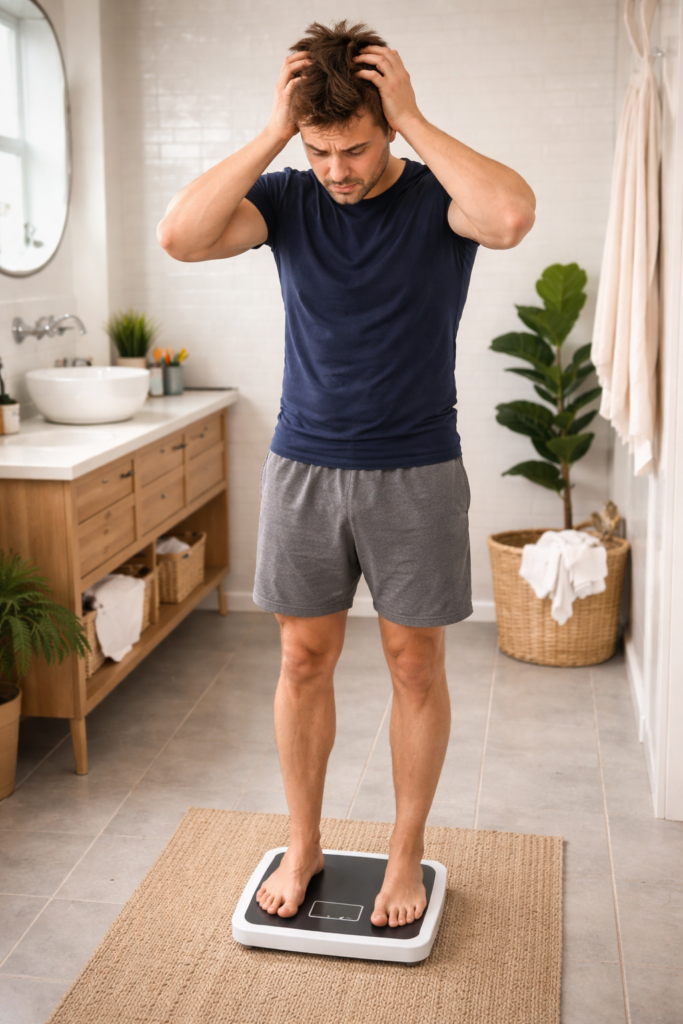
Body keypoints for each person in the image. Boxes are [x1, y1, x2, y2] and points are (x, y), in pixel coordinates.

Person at [158, 20, 535, 929]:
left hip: (415, 471)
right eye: (320, 148)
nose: (338, 169)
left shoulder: (436, 200)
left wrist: (411, 112)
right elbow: (180, 235)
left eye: (356, 146)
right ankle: (305, 839)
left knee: (413, 664)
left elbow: (513, 215)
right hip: (304, 467)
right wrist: (273, 132)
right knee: (300, 657)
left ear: (389, 127)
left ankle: (405, 853)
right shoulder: (285, 199)